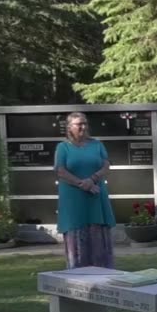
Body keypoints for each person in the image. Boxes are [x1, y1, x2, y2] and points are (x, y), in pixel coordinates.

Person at [55, 112, 116, 268]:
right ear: (69, 127)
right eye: (78, 124)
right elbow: (60, 171)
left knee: (98, 234)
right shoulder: (63, 147)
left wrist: (92, 179)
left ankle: (103, 271)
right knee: (76, 233)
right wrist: (83, 184)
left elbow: (106, 165)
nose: (83, 127)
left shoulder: (97, 145)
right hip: (73, 198)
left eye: (85, 123)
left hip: (96, 196)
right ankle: (77, 272)